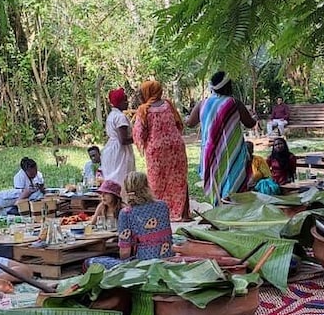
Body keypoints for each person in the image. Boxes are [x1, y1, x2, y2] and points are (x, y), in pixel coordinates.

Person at [186, 71, 258, 204]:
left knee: (216, 181)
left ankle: (219, 209)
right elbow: (250, 123)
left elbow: (190, 123)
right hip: (232, 151)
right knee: (234, 179)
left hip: (211, 152)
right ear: (227, 87)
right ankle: (233, 208)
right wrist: (254, 118)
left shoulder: (202, 104)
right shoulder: (234, 103)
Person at [85, 172, 174, 270]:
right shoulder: (163, 205)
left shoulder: (126, 212)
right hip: (168, 258)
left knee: (90, 262)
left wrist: (125, 266)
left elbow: (125, 252)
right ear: (147, 186)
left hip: (144, 265)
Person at [132, 80, 191, 221]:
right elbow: (178, 124)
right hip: (176, 148)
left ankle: (159, 214)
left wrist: (145, 141)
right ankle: (183, 214)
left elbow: (139, 133)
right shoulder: (168, 105)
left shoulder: (143, 110)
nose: (141, 96)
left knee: (156, 181)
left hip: (156, 151)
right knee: (179, 180)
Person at [102, 88, 136, 185]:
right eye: (125, 100)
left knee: (111, 177)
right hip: (120, 151)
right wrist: (137, 137)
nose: (127, 102)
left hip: (111, 148)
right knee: (121, 177)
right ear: (119, 102)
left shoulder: (112, 115)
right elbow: (123, 140)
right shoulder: (120, 117)